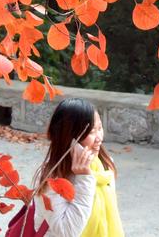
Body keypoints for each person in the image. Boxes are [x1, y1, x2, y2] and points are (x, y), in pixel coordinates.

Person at [32, 98, 124, 237]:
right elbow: (66, 232)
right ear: (69, 138)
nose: (99, 138)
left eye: (100, 128)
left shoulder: (104, 165)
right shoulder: (52, 178)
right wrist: (84, 179)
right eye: (91, 132)